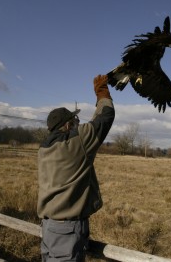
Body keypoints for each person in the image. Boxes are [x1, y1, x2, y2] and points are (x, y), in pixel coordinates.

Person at [37, 74, 115, 262]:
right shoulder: (77, 142)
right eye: (75, 120)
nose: (79, 123)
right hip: (67, 231)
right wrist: (101, 91)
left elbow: (88, 129)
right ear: (67, 125)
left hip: (49, 227)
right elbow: (105, 116)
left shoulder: (44, 147)